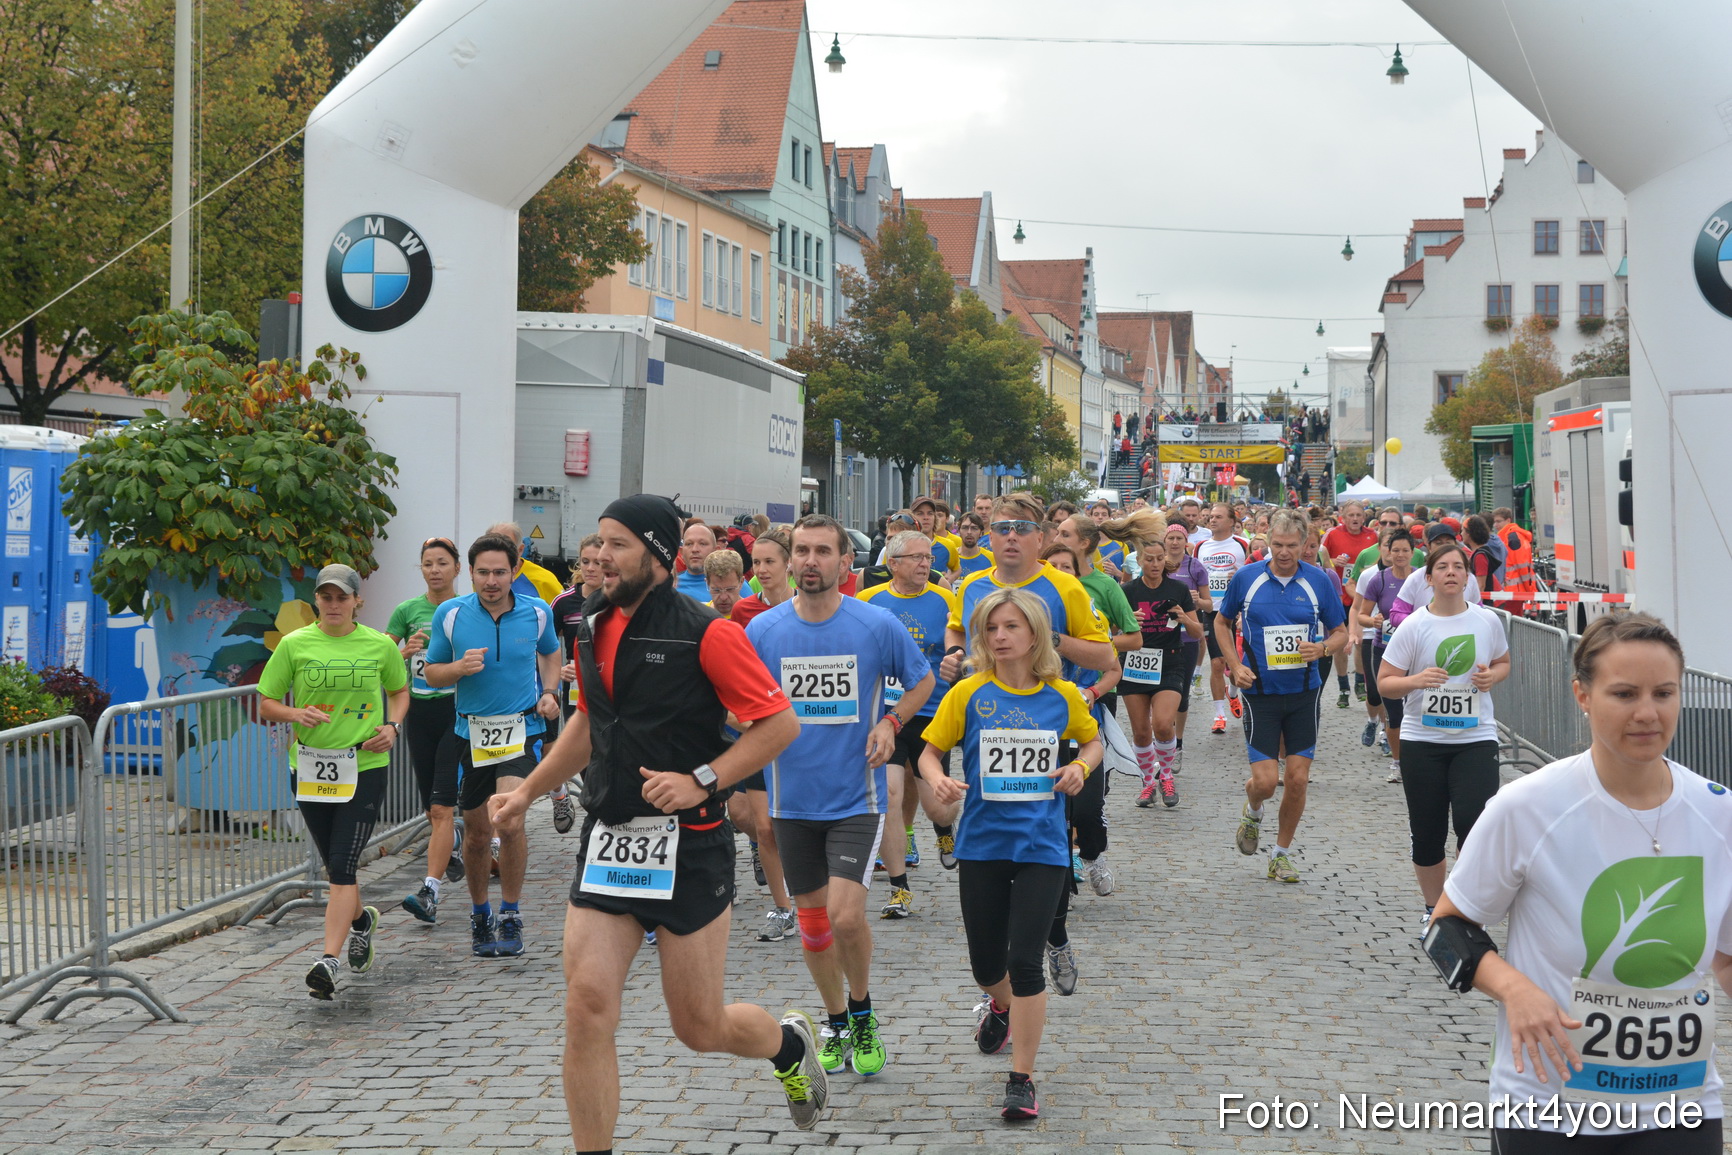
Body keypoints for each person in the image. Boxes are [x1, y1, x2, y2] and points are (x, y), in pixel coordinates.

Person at [489, 494, 829, 1149]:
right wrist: (530, 788)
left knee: (699, 1026)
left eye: (616, 544)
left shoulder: (709, 632)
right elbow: (588, 722)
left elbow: (779, 724)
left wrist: (703, 778)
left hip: (692, 845)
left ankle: (787, 1044)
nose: (600, 557)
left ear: (658, 553)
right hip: (611, 838)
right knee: (586, 1005)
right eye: (599, 543)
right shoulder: (589, 623)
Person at [1426, 613, 1729, 1152]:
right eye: (1623, 693)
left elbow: (1724, 955)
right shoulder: (1528, 807)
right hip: (1548, 1108)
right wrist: (1514, 989)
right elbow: (1447, 926)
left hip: (1680, 1105)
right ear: (1582, 695)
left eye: (1663, 693)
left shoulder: (1718, 813)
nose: (1646, 713)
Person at [747, 514, 935, 1080]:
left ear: (845, 563)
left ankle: (862, 1008)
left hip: (858, 796)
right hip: (791, 801)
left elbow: (922, 679)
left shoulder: (875, 625)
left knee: (844, 916)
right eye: (800, 550)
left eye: (822, 551)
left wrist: (891, 722)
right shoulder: (764, 631)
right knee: (813, 926)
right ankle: (834, 1020)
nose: (810, 561)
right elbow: (741, 700)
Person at [918, 589, 1102, 1122]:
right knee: (986, 964)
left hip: (1042, 846)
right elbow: (930, 753)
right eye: (991, 628)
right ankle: (997, 1004)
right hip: (981, 844)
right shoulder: (968, 693)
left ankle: (1021, 1079)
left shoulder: (1063, 695)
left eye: (1010, 627)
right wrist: (939, 780)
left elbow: (1090, 743)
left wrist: (1081, 769)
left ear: (1034, 634)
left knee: (1025, 963)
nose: (999, 637)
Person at [942, 494, 1118, 890]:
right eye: (1002, 528)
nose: (1011, 537)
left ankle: (1053, 930)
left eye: (1022, 529)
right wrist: (955, 653)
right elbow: (956, 626)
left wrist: (1048, 638)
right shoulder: (972, 585)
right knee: (997, 820)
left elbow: (1104, 655)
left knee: (1069, 821)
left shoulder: (1065, 587)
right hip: (988, 722)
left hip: (1051, 722)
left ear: (1041, 538)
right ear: (989, 536)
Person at [258, 564, 409, 999]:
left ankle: (327, 959)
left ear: (357, 601)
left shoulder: (379, 646)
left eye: (342, 597)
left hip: (363, 768)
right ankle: (361, 922)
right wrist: (294, 713)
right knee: (335, 867)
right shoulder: (294, 644)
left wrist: (393, 726)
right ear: (316, 601)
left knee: (344, 866)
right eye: (326, 597)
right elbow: (267, 702)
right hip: (309, 768)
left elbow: (400, 692)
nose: (334, 604)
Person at [424, 533, 563, 958]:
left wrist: (552, 691)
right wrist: (457, 668)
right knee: (479, 835)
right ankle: (480, 913)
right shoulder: (450, 614)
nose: (491, 580)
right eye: (482, 572)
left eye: (500, 572)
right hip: (472, 735)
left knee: (508, 820)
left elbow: (551, 654)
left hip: (521, 730)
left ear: (515, 571)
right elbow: (430, 674)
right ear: (470, 573)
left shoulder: (537, 612)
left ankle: (511, 912)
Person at [1377, 542, 1508, 929]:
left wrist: (1491, 677)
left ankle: (1466, 905)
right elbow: (1386, 682)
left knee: (1475, 823)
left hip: (1476, 739)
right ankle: (1434, 909)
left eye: (1458, 567)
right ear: (1429, 577)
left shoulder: (1486, 622)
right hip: (1423, 742)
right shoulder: (1415, 625)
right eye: (1443, 567)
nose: (1451, 572)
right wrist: (1416, 681)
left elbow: (1503, 662)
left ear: (1468, 577)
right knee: (1428, 830)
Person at [1217, 508, 1348, 884]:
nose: (1284, 552)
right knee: (1265, 782)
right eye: (1277, 545)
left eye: (1292, 545)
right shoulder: (1247, 578)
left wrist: (1322, 648)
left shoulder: (1320, 581)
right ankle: (1253, 807)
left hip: (1304, 691)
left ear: (1307, 543)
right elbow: (1221, 622)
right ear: (1268, 540)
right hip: (1260, 691)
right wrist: (1233, 664)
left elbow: (1339, 632)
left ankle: (1280, 854)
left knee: (1298, 778)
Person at [857, 530, 961, 905]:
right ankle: (899, 887)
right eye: (917, 558)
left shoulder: (945, 599)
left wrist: (956, 660)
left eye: (930, 558)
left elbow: (960, 646)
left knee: (938, 804)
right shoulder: (869, 601)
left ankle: (946, 827)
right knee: (889, 795)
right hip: (886, 715)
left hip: (932, 711)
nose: (925, 564)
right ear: (893, 564)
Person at [389, 538, 466, 923]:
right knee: (432, 810)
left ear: (456, 569)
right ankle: (451, 842)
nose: (434, 570)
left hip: (457, 712)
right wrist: (402, 653)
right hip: (420, 714)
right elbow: (380, 657)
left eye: (442, 563)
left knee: (441, 806)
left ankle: (430, 892)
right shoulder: (407, 610)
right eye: (427, 564)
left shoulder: (465, 610)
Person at [729, 527, 799, 941]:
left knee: (803, 824)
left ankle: (815, 896)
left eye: (770, 561)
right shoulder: (744, 613)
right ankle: (782, 908)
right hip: (759, 729)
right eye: (756, 563)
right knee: (764, 826)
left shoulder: (809, 608)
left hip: (806, 736)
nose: (762, 570)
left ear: (789, 564)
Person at [1120, 541, 1204, 807]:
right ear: (1139, 561)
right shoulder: (1127, 591)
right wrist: (1127, 622)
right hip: (1135, 663)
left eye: (1159, 559)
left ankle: (1166, 776)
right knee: (1142, 733)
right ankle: (1148, 782)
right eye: (1149, 560)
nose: (1154, 565)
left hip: (1170, 662)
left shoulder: (1177, 589)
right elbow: (1107, 630)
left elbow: (1197, 633)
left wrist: (1184, 618)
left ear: (1165, 560)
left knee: (1163, 724)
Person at [1354, 527, 1415, 783]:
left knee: (1415, 710)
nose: (1400, 555)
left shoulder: (1422, 579)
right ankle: (1398, 763)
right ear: (1388, 551)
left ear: (1413, 553)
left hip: (1416, 654)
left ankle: (1416, 761)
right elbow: (1361, 614)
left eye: (1405, 550)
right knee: (1393, 711)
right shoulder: (1378, 580)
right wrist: (1374, 621)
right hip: (1385, 651)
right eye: (1395, 550)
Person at [1194, 503, 1253, 735]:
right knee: (1218, 663)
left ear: (1231, 521)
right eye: (1210, 517)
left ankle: (1233, 694)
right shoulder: (1200, 546)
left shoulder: (1243, 545)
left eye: (1218, 517)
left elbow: (1254, 573)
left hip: (1239, 611)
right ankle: (1219, 714)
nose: (1212, 520)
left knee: (1238, 662)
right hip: (1213, 610)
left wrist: (1238, 575)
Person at [1162, 521, 1213, 766]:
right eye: (1170, 538)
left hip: (1187, 637)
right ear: (1164, 541)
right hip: (1160, 637)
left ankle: (1178, 743)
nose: (1174, 543)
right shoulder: (1156, 564)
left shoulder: (1195, 567)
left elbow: (1209, 605)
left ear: (1186, 542)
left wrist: (1196, 601)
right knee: (1161, 691)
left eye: (1178, 538)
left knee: (1181, 695)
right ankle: (1164, 739)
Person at [1321, 501, 1378, 708]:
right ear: (1342, 517)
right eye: (1351, 515)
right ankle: (1343, 686)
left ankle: (1360, 682)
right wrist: (1335, 561)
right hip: (1339, 596)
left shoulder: (1373, 536)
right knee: (1341, 642)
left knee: (1361, 641)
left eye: (1359, 515)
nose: (1355, 519)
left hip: (1363, 598)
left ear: (1364, 517)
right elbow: (1320, 557)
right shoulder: (1332, 534)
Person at [676, 521, 719, 601]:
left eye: (702, 544)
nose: (695, 549)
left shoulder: (734, 585)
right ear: (681, 552)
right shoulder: (669, 587)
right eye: (689, 544)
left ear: (715, 551)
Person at [703, 549, 746, 617]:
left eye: (730, 589)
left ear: (741, 582)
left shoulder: (753, 616)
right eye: (716, 590)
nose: (723, 597)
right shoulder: (700, 617)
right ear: (707, 583)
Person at [954, 512, 995, 580]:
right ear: (958, 531)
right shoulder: (949, 556)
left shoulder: (992, 558)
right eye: (965, 528)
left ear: (981, 533)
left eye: (974, 528)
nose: (969, 532)